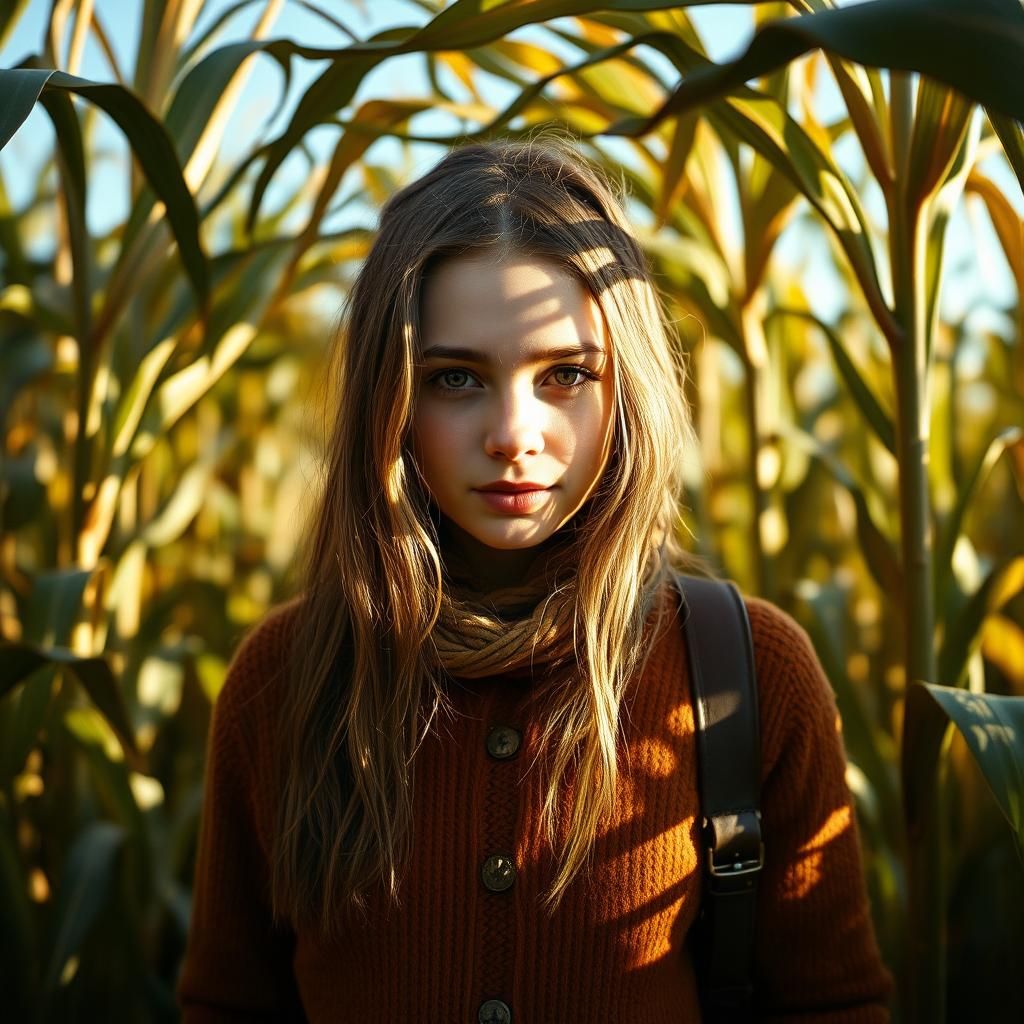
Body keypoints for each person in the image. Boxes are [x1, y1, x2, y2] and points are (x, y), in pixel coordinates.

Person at [176, 134, 895, 1022]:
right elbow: (227, 1004)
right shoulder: (283, 680)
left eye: (564, 375)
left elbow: (836, 1007)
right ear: (387, 402)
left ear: (623, 391)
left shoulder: (745, 676)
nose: (514, 433)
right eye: (454, 378)